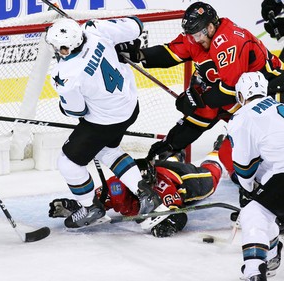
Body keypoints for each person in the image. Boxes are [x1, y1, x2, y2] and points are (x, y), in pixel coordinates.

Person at [115, 2, 284, 180]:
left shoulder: (229, 41)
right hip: (242, 104)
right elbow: (171, 52)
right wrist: (139, 55)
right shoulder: (199, 36)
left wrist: (196, 98)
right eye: (192, 35)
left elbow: (227, 91)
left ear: (210, 27)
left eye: (198, 34)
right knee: (229, 156)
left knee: (259, 153)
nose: (195, 39)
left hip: (272, 92)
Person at [45, 17, 168, 229]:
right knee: (106, 150)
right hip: (130, 107)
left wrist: (64, 105)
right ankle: (147, 196)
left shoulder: (64, 75)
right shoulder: (94, 29)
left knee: (68, 163)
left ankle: (91, 208)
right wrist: (121, 45)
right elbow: (136, 25)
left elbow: (76, 110)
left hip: (104, 122)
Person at [49, 136, 224, 237]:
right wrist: (73, 206)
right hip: (159, 167)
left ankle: (218, 150)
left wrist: (170, 225)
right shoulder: (116, 186)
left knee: (211, 178)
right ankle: (175, 155)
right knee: (167, 160)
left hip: (182, 179)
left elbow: (178, 215)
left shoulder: (162, 189)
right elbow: (94, 205)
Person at [227, 71, 283, 281]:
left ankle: (254, 271)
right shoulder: (279, 106)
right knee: (266, 206)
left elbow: (244, 166)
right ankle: (273, 253)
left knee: (254, 213)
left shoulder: (242, 117)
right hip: (278, 175)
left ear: (240, 95)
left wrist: (248, 189)